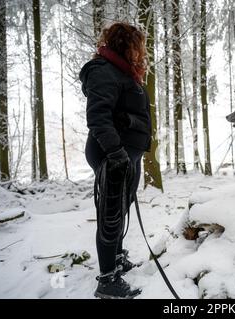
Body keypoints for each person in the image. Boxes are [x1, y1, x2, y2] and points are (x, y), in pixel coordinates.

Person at [79, 22, 152, 299]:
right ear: (125, 44)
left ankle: (117, 258)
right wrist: (116, 153)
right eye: (137, 45)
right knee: (110, 215)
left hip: (127, 154)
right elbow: (98, 117)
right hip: (112, 153)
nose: (140, 51)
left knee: (121, 208)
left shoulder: (123, 72)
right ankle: (107, 281)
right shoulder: (103, 72)